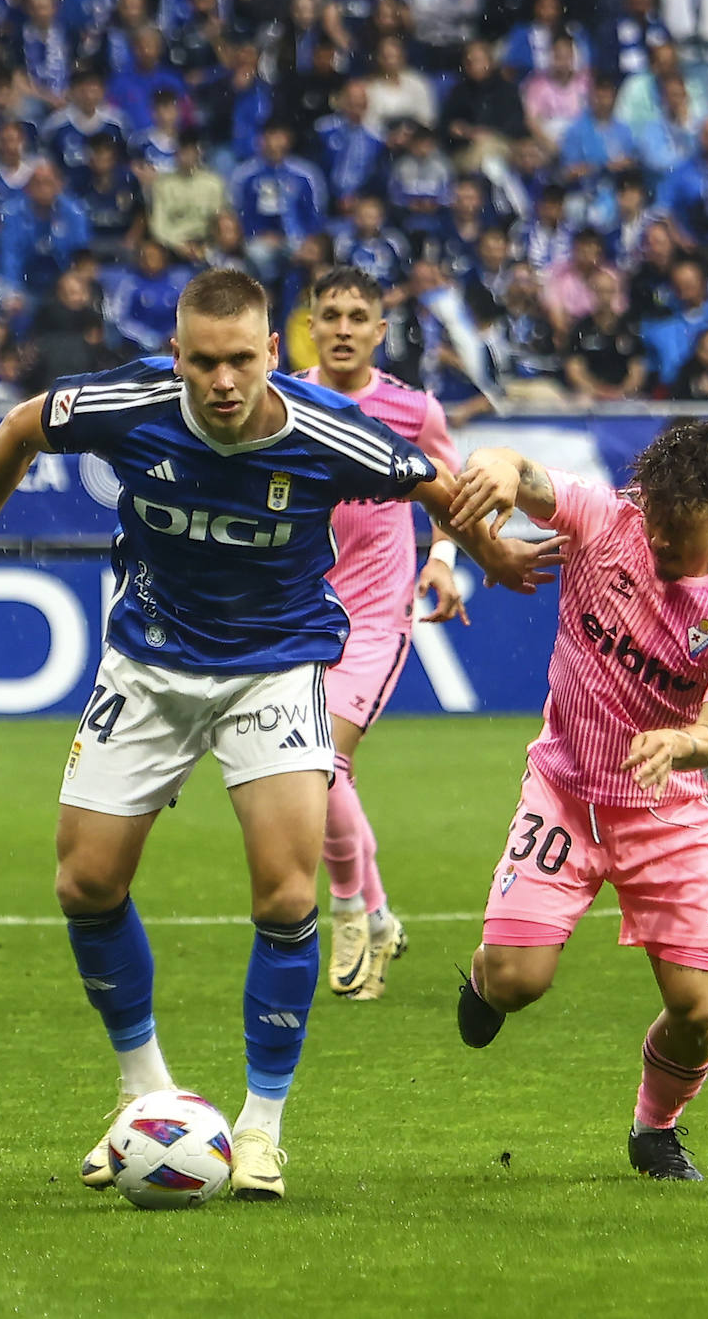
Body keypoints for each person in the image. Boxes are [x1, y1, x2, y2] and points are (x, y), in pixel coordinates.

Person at [0, 266, 552, 1203]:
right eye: (203, 361)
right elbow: (22, 425)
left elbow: (432, 481)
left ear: (269, 354)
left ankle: (260, 1129)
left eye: (241, 359)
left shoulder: (328, 430)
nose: (222, 381)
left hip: (276, 669)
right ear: (177, 355)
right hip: (149, 664)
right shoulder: (132, 402)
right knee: (85, 882)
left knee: (288, 898)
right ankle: (144, 1095)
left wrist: (488, 553)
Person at [448, 419, 708, 1181]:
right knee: (515, 984)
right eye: (654, 520)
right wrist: (497, 469)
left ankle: (654, 1128)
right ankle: (484, 977)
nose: (658, 541)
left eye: (679, 530)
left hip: (669, 812)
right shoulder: (608, 520)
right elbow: (516, 469)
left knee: (697, 1013)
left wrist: (685, 743)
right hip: (565, 792)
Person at [304, 267, 469, 999]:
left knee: (322, 764)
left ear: (379, 329)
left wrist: (442, 557)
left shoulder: (409, 409)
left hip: (375, 620)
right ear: (311, 323)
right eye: (330, 314)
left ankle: (345, 912)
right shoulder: (282, 400)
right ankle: (377, 915)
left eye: (357, 315)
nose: (342, 327)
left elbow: (455, 489)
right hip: (299, 617)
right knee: (323, 775)